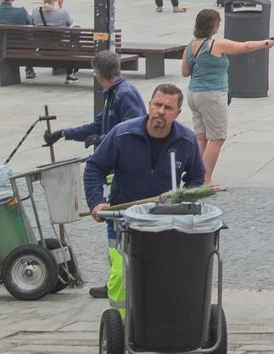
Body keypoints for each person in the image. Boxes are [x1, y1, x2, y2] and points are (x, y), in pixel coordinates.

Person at [81, 83, 208, 306]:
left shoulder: (186, 141)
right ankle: (122, 324)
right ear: (149, 105)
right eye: (157, 104)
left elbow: (197, 177)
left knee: (161, 276)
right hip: (122, 219)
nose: (160, 111)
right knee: (122, 275)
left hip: (164, 220)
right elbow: (94, 167)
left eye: (168, 108)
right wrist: (97, 202)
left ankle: (156, 321)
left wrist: (183, 199)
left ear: (177, 113)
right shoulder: (123, 133)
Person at [51, 49, 149, 295]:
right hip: (115, 169)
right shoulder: (114, 93)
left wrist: (102, 138)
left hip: (123, 170)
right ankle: (118, 280)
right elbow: (97, 124)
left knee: (116, 227)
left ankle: (118, 283)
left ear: (99, 74)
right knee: (114, 229)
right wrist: (64, 133)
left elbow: (134, 128)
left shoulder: (125, 95)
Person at [183, 6, 274, 186]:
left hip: (193, 94)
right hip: (212, 94)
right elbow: (244, 47)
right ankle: (205, 179)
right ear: (212, 26)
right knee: (217, 138)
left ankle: (194, 177)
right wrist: (266, 43)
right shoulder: (215, 44)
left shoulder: (191, 45)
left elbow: (185, 72)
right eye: (218, 23)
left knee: (201, 138)